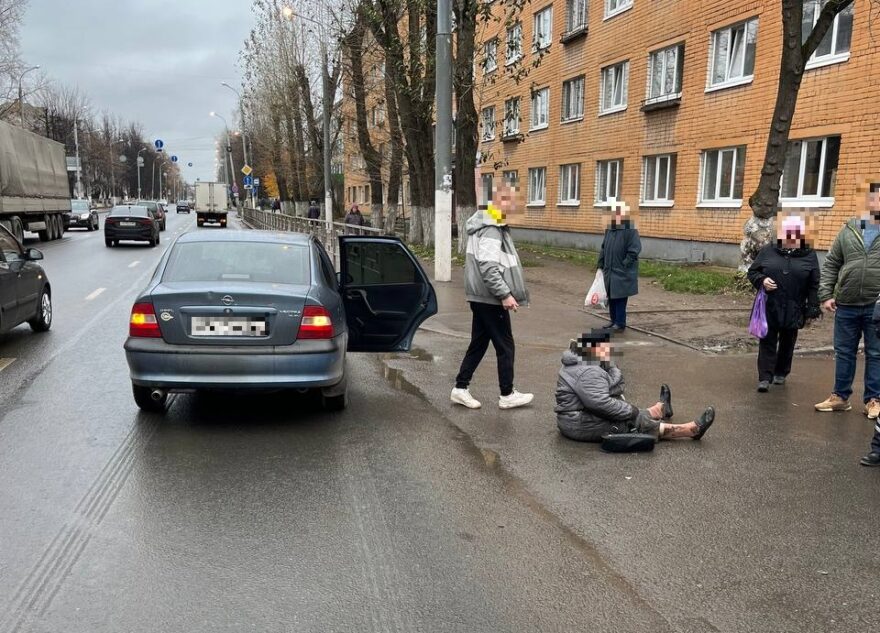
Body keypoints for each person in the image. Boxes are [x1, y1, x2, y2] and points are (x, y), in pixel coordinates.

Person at [451, 181, 533, 410]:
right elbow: (488, 267)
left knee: (478, 344)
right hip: (489, 297)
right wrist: (505, 294)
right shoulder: (491, 228)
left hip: (481, 296)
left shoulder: (488, 225)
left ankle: (460, 387)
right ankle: (507, 394)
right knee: (505, 346)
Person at [555, 329, 715, 444]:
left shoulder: (580, 363)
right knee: (629, 420)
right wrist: (631, 411)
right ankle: (689, 430)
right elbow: (602, 403)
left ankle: (659, 410)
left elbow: (613, 388)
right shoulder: (589, 371)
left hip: (576, 419)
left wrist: (610, 368)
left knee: (623, 409)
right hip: (580, 424)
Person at [815, 181, 880, 426]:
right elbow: (832, 263)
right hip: (847, 304)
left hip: (877, 305)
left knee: (876, 353)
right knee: (844, 352)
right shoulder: (848, 230)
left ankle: (874, 399)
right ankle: (840, 397)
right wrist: (826, 294)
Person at [747, 213, 821, 392]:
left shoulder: (809, 255)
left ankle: (781, 372)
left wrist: (812, 307)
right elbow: (753, 272)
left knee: (788, 340)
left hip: (794, 305)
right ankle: (765, 377)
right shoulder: (768, 251)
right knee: (767, 339)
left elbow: (814, 283)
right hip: (770, 304)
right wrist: (762, 280)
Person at [597, 199, 641, 332]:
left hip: (622, 271)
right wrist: (600, 263)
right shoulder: (609, 229)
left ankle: (620, 323)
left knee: (620, 297)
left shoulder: (630, 230)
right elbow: (604, 247)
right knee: (611, 295)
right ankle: (613, 320)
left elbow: (634, 250)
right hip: (609, 269)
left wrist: (625, 264)